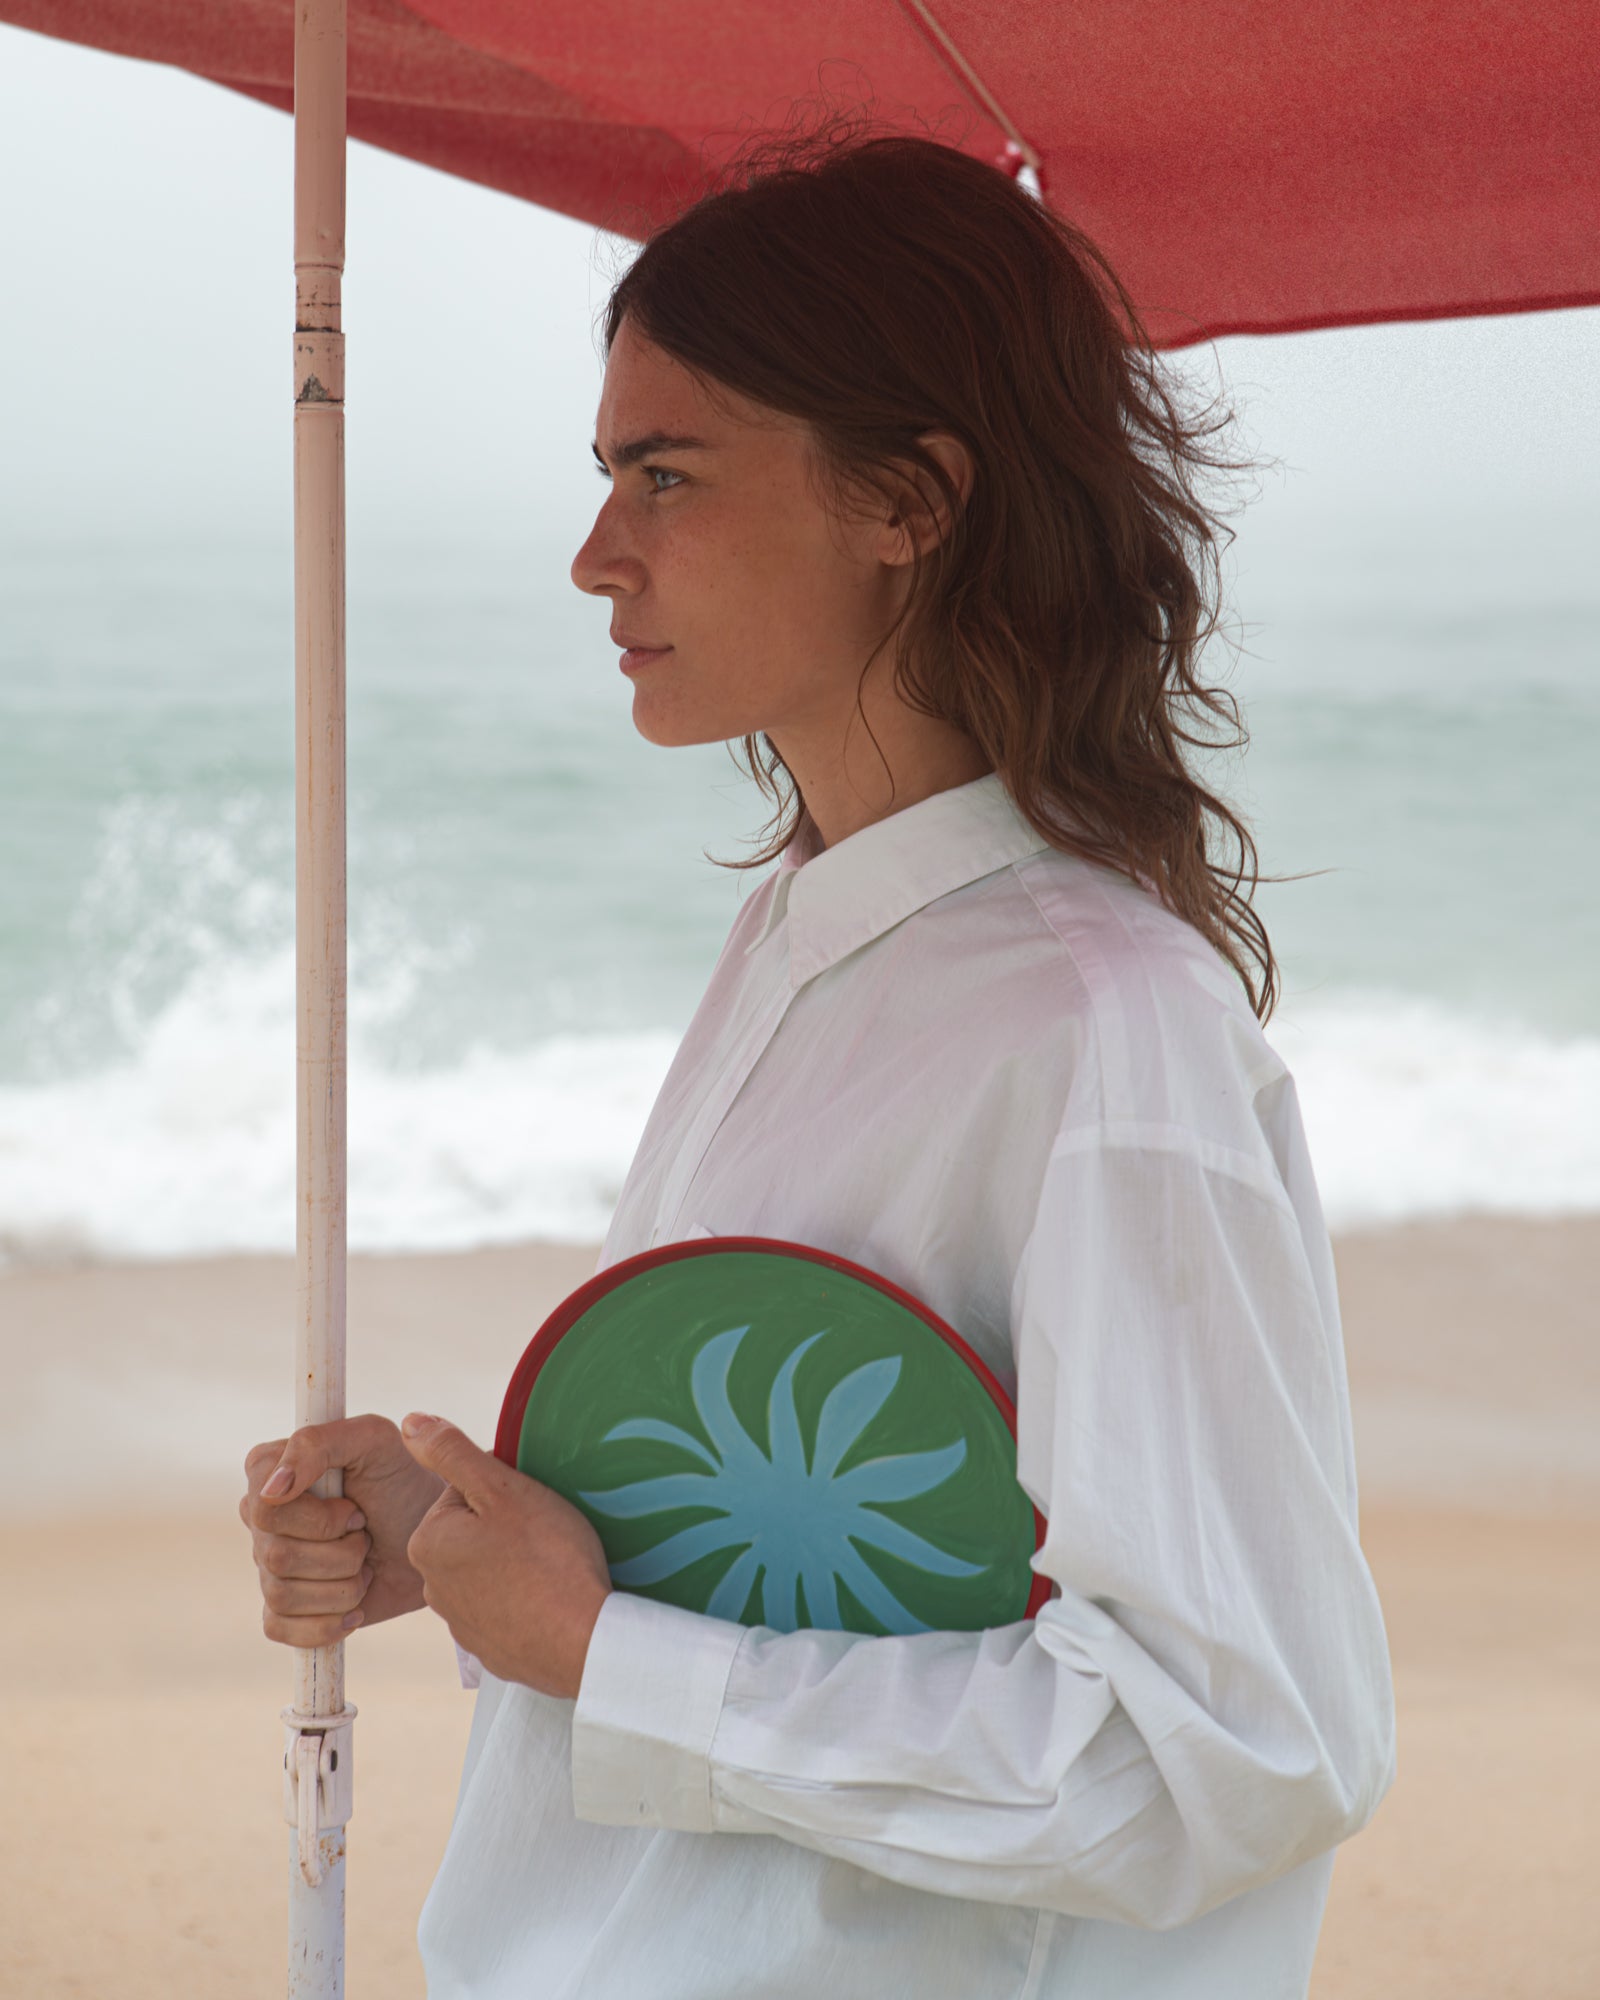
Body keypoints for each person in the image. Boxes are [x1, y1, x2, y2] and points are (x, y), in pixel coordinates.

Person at [239, 117, 1396, 1998]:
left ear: (909, 500)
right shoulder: (805, 933)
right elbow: (856, 1573)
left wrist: (606, 1655)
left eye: (666, 474)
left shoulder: (1105, 1036)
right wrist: (472, 1557)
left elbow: (1228, 1758)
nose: (597, 555)